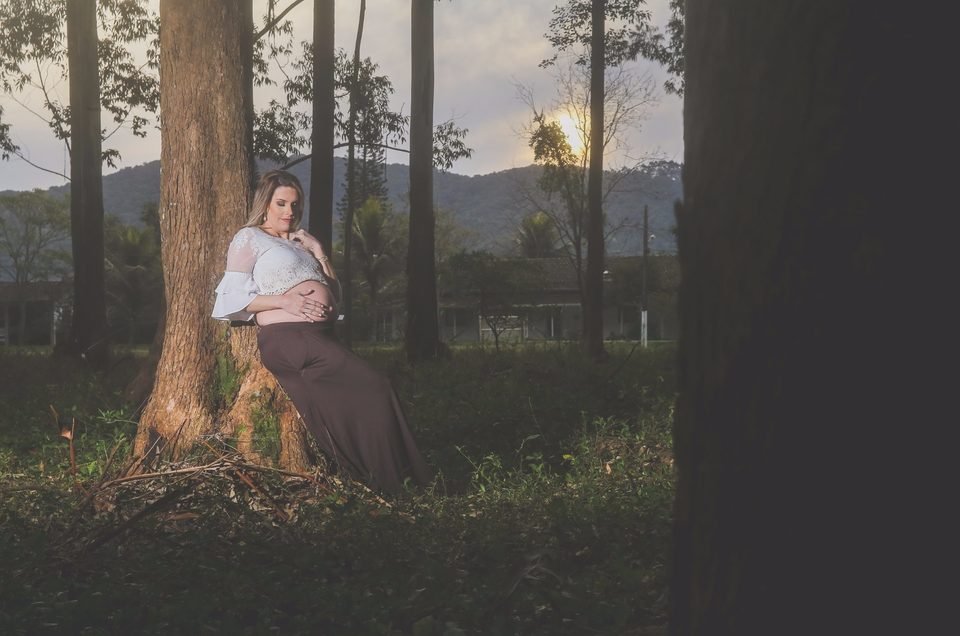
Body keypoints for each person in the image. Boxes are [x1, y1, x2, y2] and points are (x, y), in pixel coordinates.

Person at [212, 170, 432, 495]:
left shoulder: (301, 243)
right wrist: (284, 300)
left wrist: (318, 252)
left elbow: (335, 293)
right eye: (281, 204)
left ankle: (390, 477)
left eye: (295, 205)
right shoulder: (250, 238)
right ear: (266, 204)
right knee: (376, 386)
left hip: (321, 337)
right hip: (289, 337)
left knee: (369, 393)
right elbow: (228, 300)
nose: (289, 212)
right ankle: (393, 482)